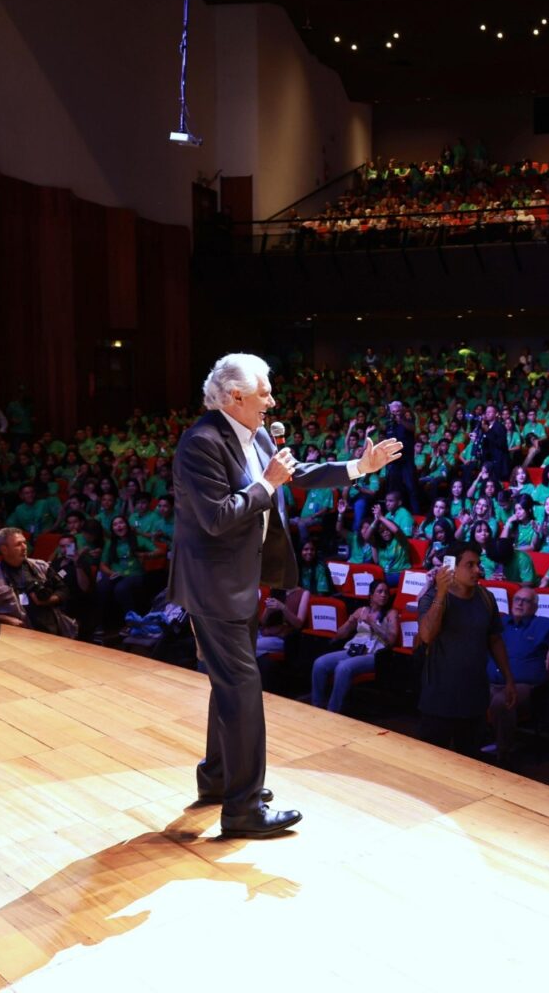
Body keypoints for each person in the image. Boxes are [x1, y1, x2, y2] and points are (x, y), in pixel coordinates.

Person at [168, 352, 402, 839]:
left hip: (239, 581)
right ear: (236, 397)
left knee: (229, 686)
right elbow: (217, 516)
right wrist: (265, 483)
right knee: (244, 691)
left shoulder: (257, 434)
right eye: (265, 392)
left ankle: (218, 779)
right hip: (213, 588)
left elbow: (299, 472)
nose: (272, 400)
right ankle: (243, 809)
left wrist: (360, 465)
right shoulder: (201, 443)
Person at [415, 542, 516, 755]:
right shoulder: (432, 597)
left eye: (478, 564)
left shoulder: (486, 598)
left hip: (475, 700)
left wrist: (508, 679)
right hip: (438, 700)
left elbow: (495, 640)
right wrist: (441, 595)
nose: (478, 570)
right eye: (470, 565)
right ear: (451, 568)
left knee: (470, 763)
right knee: (431, 763)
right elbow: (426, 635)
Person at [488, 586, 549, 766]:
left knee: (502, 701)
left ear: (535, 607)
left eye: (525, 600)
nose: (519, 603)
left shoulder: (544, 624)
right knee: (461, 687)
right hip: (490, 682)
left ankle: (502, 754)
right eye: (517, 599)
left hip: (524, 687)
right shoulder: (501, 622)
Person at [311, 580, 399, 714]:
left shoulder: (390, 614)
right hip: (353, 649)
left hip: (374, 655)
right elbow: (340, 634)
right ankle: (316, 705)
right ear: (371, 595)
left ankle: (332, 710)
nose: (383, 595)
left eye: (386, 592)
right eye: (379, 591)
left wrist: (372, 623)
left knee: (343, 667)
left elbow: (391, 640)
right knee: (320, 663)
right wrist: (351, 620)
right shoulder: (362, 610)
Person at [0, 526, 75, 636]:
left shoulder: (42, 566)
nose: (24, 547)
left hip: (52, 630)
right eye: (18, 544)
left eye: (24, 543)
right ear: (4, 549)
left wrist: (49, 600)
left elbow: (63, 589)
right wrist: (7, 620)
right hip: (19, 635)